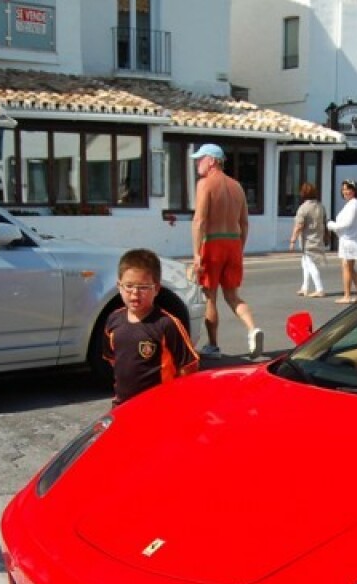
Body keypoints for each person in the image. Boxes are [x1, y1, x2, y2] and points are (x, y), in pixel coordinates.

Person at [190, 143, 262, 357]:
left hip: (213, 242)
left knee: (209, 296)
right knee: (232, 295)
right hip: (233, 242)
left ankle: (213, 346)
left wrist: (196, 253)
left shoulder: (205, 184)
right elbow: (245, 223)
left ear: (212, 160)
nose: (197, 163)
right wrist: (240, 247)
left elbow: (200, 220)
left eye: (200, 158)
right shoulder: (237, 186)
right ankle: (253, 329)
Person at [101, 248, 198, 406]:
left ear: (157, 289)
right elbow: (113, 360)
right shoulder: (113, 320)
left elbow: (188, 366)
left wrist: (178, 400)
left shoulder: (166, 324)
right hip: (122, 405)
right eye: (129, 286)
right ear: (119, 286)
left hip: (157, 407)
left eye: (144, 287)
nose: (135, 293)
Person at [326, 179, 357, 303]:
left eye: (348, 189)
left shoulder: (353, 204)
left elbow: (346, 223)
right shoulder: (351, 204)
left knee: (346, 268)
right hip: (347, 240)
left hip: (349, 241)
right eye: (343, 189)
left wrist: (331, 225)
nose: (345, 192)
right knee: (350, 268)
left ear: (354, 190)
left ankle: (347, 295)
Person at [289, 182, 327, 297]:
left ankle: (319, 288)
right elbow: (325, 221)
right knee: (305, 263)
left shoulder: (303, 208)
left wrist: (292, 240)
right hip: (318, 238)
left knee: (310, 264)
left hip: (307, 240)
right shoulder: (321, 206)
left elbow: (299, 225)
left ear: (303, 194)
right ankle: (304, 287)